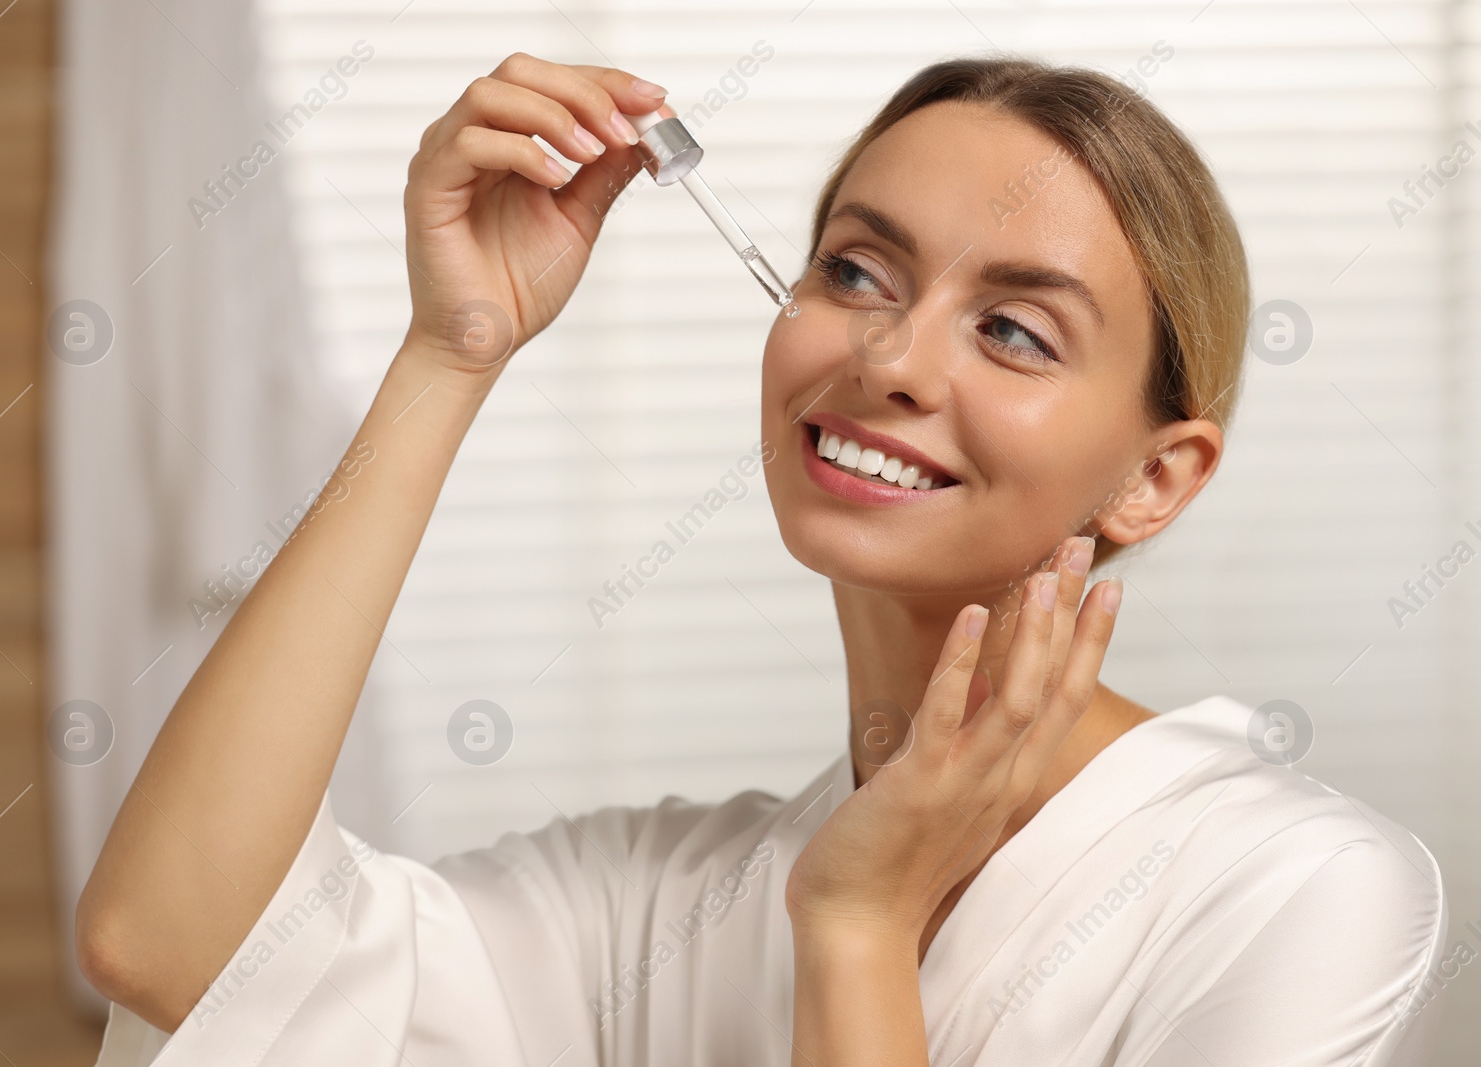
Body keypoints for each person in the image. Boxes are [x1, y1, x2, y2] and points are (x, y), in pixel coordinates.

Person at [76, 52, 1446, 1066]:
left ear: (1157, 477)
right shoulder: (648, 913)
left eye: (1016, 331)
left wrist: (856, 930)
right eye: (858, 272)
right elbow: (172, 939)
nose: (888, 358)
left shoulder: (1298, 890)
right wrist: (453, 355)